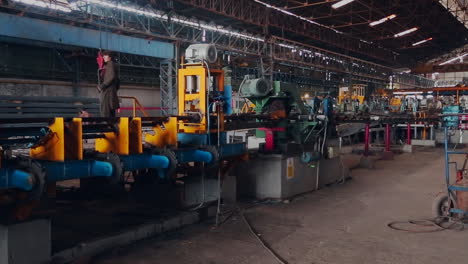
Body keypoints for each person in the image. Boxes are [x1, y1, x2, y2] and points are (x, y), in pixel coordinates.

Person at [98, 51, 120, 117]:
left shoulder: (110, 64)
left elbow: (111, 76)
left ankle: (107, 126)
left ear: (110, 57)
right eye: (103, 55)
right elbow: (117, 80)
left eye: (105, 55)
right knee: (110, 113)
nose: (103, 57)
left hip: (107, 92)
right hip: (110, 91)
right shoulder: (109, 65)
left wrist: (103, 86)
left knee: (105, 113)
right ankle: (111, 126)